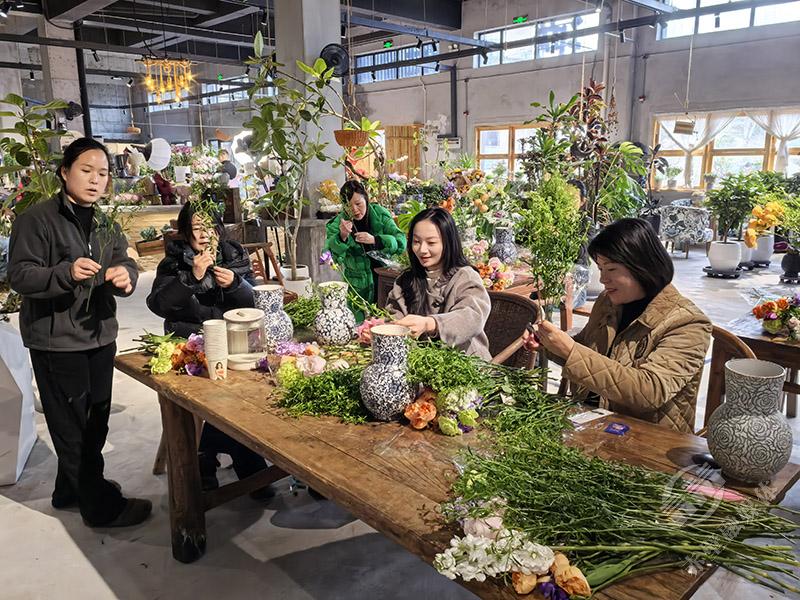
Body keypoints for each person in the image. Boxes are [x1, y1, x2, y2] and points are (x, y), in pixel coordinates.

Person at [8, 137, 151, 527]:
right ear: (64, 172)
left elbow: (125, 261)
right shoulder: (36, 220)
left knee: (96, 420)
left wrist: (126, 275)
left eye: (102, 173)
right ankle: (100, 507)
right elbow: (20, 276)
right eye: (86, 170)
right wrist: (66, 273)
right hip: (57, 341)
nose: (95, 180)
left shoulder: (105, 223)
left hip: (99, 334)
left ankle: (69, 489)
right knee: (73, 428)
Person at [523, 218, 712, 433]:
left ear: (643, 267)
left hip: (647, 439)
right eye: (600, 268)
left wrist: (570, 350)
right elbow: (587, 349)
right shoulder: (608, 302)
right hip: (593, 425)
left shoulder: (688, 323)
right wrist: (548, 345)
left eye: (611, 269)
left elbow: (650, 391)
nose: (603, 279)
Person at [146, 202, 272, 496]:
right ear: (185, 232)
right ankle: (242, 465)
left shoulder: (233, 255)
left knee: (250, 389)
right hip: (190, 347)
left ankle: (212, 454)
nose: (204, 235)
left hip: (233, 346)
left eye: (210, 228)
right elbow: (159, 305)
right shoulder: (174, 262)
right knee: (219, 394)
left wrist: (236, 284)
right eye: (196, 229)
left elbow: (256, 304)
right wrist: (191, 278)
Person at [386, 207, 491, 360]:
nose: (422, 250)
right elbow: (393, 317)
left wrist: (431, 324)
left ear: (448, 242)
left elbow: (472, 317)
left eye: (431, 242)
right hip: (418, 363)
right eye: (416, 242)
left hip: (465, 363)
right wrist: (382, 329)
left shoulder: (465, 277)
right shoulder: (406, 280)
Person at [324, 180, 406, 321]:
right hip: (357, 286)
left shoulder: (379, 214)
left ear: (366, 199)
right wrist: (342, 237)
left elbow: (400, 242)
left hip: (385, 281)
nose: (355, 210)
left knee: (386, 324)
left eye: (358, 204)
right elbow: (329, 256)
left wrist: (376, 240)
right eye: (348, 206)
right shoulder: (338, 224)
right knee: (360, 327)